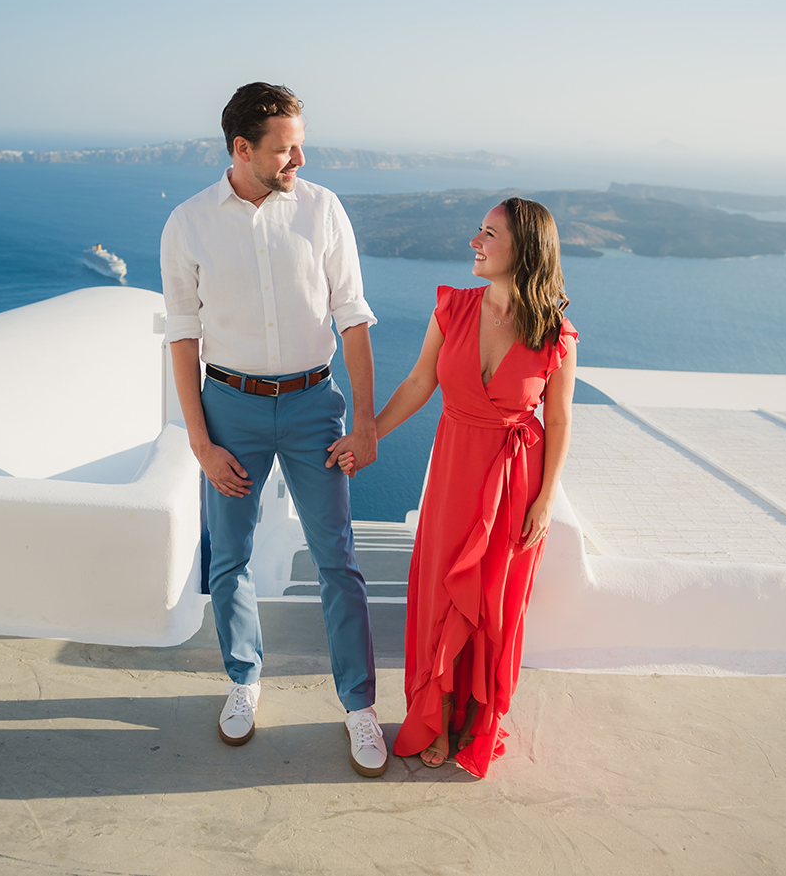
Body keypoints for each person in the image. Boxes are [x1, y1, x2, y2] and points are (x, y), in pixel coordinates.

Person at [159, 82, 389, 777]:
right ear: (241, 148)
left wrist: (368, 420)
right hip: (230, 407)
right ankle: (243, 680)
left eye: (299, 144)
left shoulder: (323, 210)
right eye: (286, 148)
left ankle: (358, 704)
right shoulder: (189, 223)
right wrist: (200, 442)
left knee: (337, 560)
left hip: (315, 405)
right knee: (228, 557)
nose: (299, 158)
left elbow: (351, 317)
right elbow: (181, 336)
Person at [334, 197, 576, 777]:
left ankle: (474, 720)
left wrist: (544, 501)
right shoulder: (452, 308)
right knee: (443, 594)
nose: (475, 241)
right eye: (479, 231)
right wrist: (370, 435)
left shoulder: (555, 332)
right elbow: (420, 382)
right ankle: (436, 717)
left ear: (524, 249)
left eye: (489, 234)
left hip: (515, 483)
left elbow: (561, 419)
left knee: (493, 605)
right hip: (453, 473)